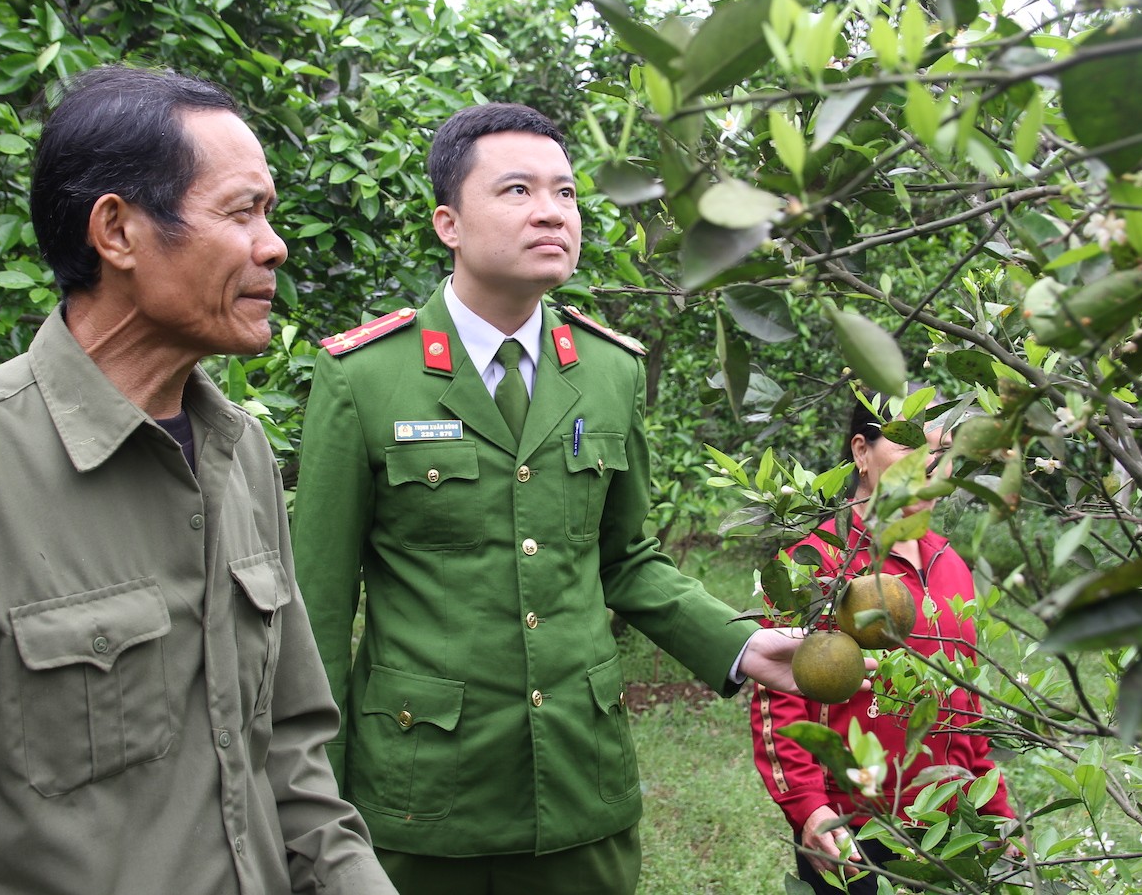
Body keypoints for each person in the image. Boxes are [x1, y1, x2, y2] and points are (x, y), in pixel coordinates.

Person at [0, 66, 396, 895]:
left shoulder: (238, 450)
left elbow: (290, 762)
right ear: (117, 231)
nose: (273, 245)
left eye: (270, 214)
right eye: (241, 211)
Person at [290, 101, 819, 893]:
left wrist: (739, 646)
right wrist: (312, 808)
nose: (551, 212)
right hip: (423, 797)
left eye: (566, 193)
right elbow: (318, 611)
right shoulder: (365, 377)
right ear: (449, 223)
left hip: (581, 785)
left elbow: (629, 559)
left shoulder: (609, 371)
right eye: (516, 191)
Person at [749, 394, 1015, 894]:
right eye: (911, 449)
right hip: (855, 827)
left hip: (949, 826)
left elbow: (966, 702)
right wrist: (808, 807)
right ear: (862, 453)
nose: (931, 467)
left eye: (944, 452)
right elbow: (776, 700)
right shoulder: (816, 561)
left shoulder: (949, 564)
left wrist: (994, 805)